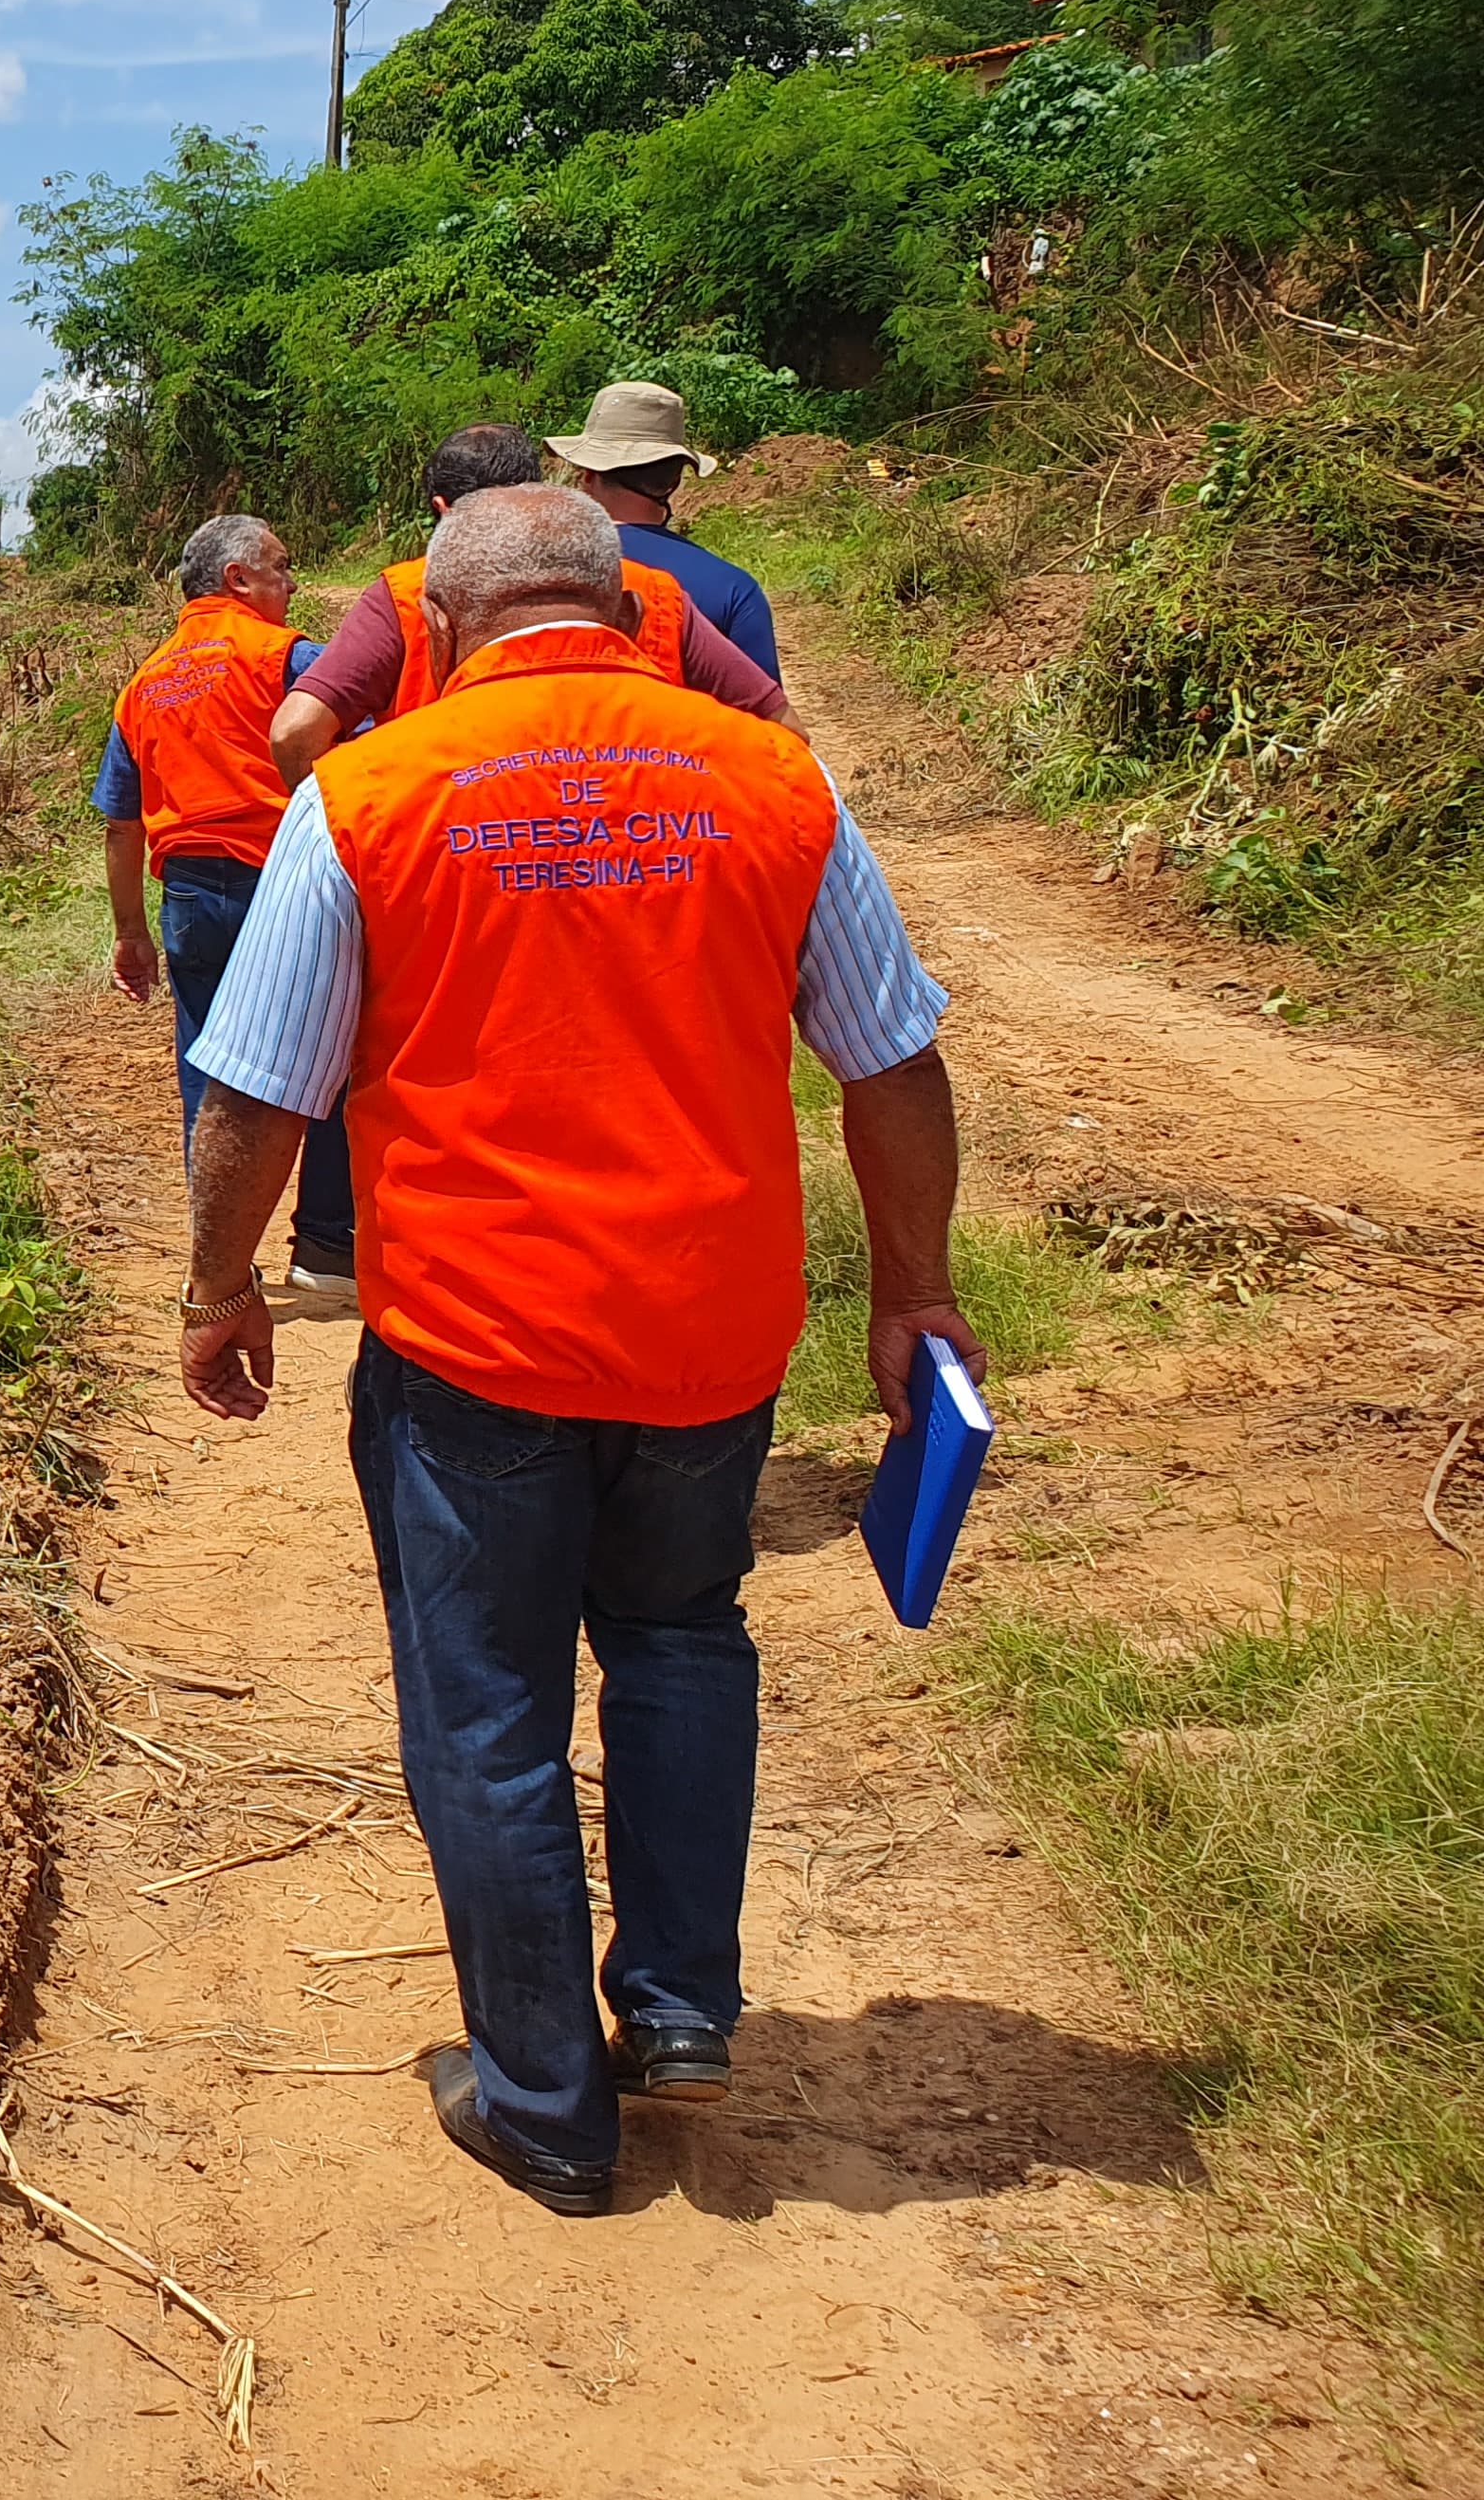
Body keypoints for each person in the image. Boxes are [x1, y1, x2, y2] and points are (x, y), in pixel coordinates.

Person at [170, 483, 978, 2219]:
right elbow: (890, 1057)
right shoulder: (772, 782)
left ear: (444, 633)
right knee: (684, 1632)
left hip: (479, 1340)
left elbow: (255, 1087)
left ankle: (544, 2098)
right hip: (712, 1329)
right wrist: (910, 1286)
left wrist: (215, 1285)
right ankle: (679, 2003)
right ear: (629, 615)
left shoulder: (373, 792)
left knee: (488, 1710)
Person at [97, 513, 358, 1292]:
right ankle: (325, 1248)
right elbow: (363, 759)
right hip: (289, 888)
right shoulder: (289, 658)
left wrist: (129, 934)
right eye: (281, 566)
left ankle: (222, 1262)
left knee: (206, 1072)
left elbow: (122, 820)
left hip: (189, 901)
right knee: (334, 1059)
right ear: (237, 578)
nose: (293, 582)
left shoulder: (143, 685)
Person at [266, 424, 791, 790]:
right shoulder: (649, 591)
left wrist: (355, 822)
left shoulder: (407, 596)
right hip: (646, 865)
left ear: (442, 510)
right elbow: (782, 735)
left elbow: (294, 734)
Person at [548, 378, 779, 680]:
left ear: (588, 474)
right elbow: (764, 718)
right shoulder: (733, 588)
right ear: (675, 481)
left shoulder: (537, 573)